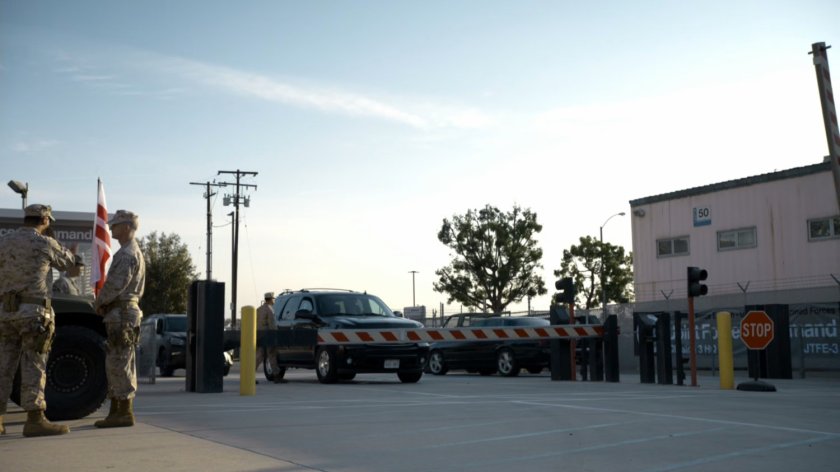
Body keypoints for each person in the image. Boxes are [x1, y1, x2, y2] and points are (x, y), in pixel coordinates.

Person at [0, 204, 80, 437]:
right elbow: (71, 265)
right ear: (45, 220)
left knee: (3, 366)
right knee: (34, 365)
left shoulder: (4, 242)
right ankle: (35, 420)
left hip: (6, 313)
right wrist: (70, 252)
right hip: (33, 314)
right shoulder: (45, 243)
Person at [93, 210, 146, 428]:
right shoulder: (128, 251)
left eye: (115, 225)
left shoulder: (126, 254)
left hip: (122, 313)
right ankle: (118, 409)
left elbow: (116, 285)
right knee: (118, 361)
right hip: (123, 312)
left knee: (120, 362)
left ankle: (123, 411)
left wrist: (99, 302)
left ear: (126, 227)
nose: (111, 228)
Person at [255, 292, 284, 383]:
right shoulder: (270, 310)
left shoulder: (259, 309)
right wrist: (275, 335)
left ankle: (250, 375)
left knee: (259, 356)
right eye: (273, 299)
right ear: (271, 299)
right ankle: (276, 376)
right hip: (268, 335)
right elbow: (272, 324)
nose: (274, 300)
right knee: (272, 355)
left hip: (259, 335)